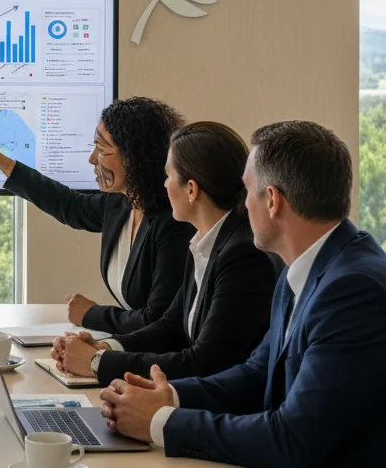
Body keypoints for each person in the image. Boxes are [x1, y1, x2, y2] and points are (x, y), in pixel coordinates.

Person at [100, 121, 386, 468]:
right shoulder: (307, 267)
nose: (242, 205)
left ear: (273, 200)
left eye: (247, 192)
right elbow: (256, 372)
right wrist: (171, 398)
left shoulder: (354, 289)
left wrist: (161, 422)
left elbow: (293, 437)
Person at [52, 121, 278, 384]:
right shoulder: (204, 242)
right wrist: (106, 347)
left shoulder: (241, 256)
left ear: (191, 190)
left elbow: (204, 362)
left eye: (168, 176)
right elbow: (169, 328)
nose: (164, 185)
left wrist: (96, 363)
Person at [0, 96, 193, 333]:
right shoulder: (120, 204)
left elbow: (157, 320)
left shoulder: (174, 223)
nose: (92, 159)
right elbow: (70, 205)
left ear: (134, 157)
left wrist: (91, 314)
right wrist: (1, 162)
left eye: (101, 149)